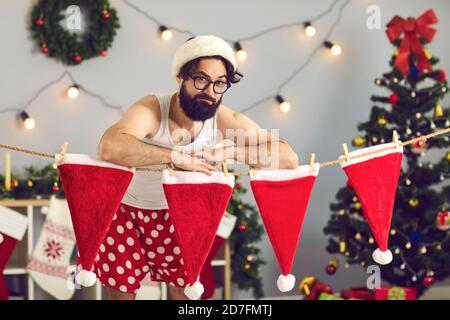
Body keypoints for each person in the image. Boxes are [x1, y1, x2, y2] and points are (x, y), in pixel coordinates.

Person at [97, 35, 298, 300]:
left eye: (219, 84)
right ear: (181, 76)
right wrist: (176, 156)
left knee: (187, 296)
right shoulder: (152, 108)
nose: (210, 92)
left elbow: (288, 157)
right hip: (128, 213)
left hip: (182, 217)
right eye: (201, 79)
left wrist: (236, 150)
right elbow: (110, 147)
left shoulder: (224, 119)